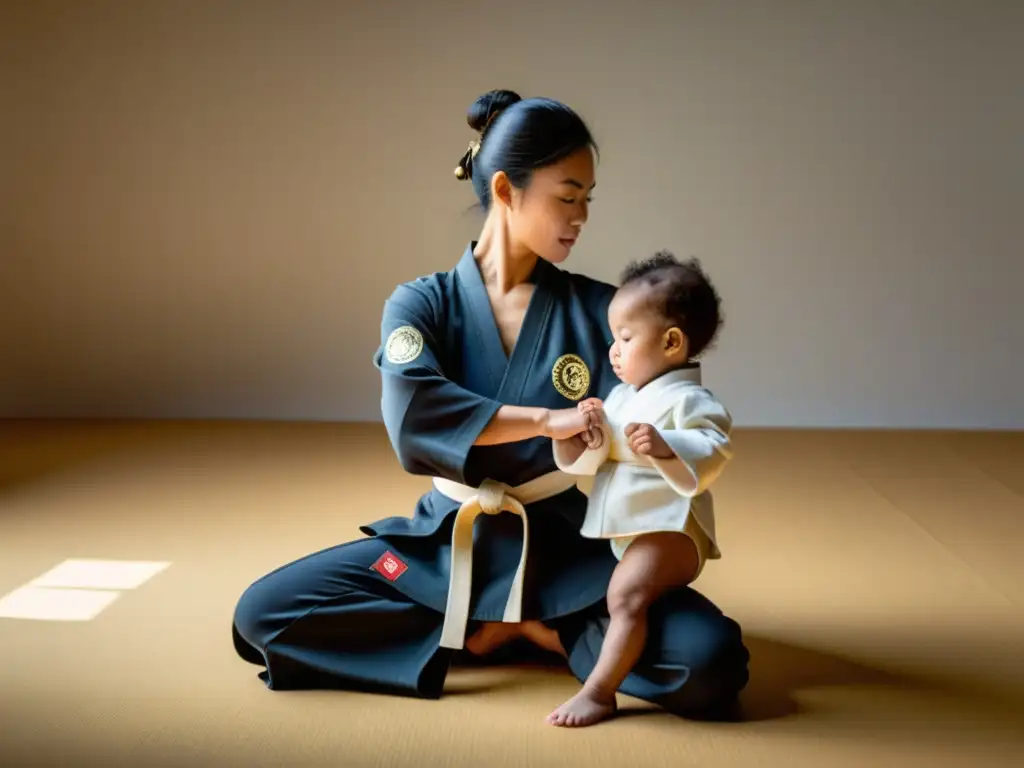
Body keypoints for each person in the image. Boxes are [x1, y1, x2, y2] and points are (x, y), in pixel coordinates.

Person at [231, 89, 750, 722]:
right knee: (263, 615)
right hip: (445, 545)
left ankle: (544, 630)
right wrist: (548, 420)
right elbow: (416, 420)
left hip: (571, 553)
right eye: (567, 195)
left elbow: (677, 394)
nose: (582, 214)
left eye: (588, 198)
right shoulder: (421, 305)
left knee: (713, 660)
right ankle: (487, 629)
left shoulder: (606, 312)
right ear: (507, 189)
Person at [547, 252, 733, 726]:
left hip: (670, 529)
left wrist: (667, 446)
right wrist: (580, 438)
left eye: (625, 338)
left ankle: (600, 691)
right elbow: (594, 458)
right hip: (628, 528)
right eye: (614, 337)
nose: (613, 350)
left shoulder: (691, 400)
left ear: (672, 342)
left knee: (625, 597)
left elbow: (713, 446)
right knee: (622, 593)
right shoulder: (622, 397)